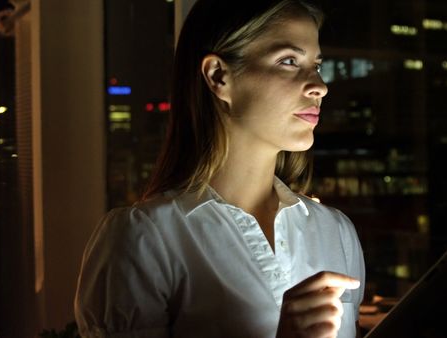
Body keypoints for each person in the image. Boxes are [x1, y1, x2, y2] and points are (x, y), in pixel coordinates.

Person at [74, 0, 365, 337]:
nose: (320, 85)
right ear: (218, 76)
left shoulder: (337, 233)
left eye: (316, 65)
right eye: (288, 61)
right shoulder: (144, 239)